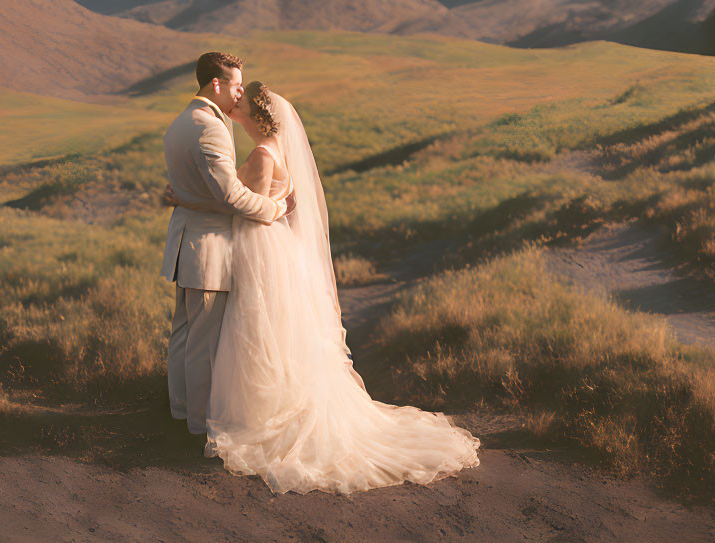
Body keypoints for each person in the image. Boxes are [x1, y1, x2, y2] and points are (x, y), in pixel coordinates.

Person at [164, 80, 480, 495]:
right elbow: (236, 200)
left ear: (255, 116)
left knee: (257, 334)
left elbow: (241, 208)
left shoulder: (261, 154)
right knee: (272, 335)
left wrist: (188, 200)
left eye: (241, 101)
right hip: (276, 250)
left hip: (260, 250)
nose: (233, 104)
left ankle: (241, 415)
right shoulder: (275, 149)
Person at [159, 52, 291, 437]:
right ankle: (199, 426)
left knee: (184, 335)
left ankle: (180, 413)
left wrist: (184, 199)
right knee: (203, 343)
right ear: (215, 84)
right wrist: (274, 208)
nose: (238, 94)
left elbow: (206, 193)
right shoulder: (211, 127)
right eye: (235, 85)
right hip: (209, 250)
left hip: (187, 245)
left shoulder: (180, 122)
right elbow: (231, 198)